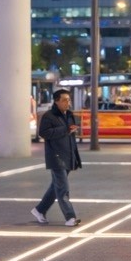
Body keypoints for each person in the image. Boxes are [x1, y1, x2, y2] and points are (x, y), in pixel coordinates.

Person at [32, 89, 82, 227]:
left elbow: (69, 134)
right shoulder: (49, 116)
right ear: (56, 101)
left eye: (69, 100)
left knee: (56, 187)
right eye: (65, 100)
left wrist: (75, 156)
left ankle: (39, 210)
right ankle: (70, 217)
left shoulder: (69, 115)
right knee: (63, 188)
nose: (68, 103)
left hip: (68, 155)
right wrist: (65, 129)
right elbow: (44, 133)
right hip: (56, 156)